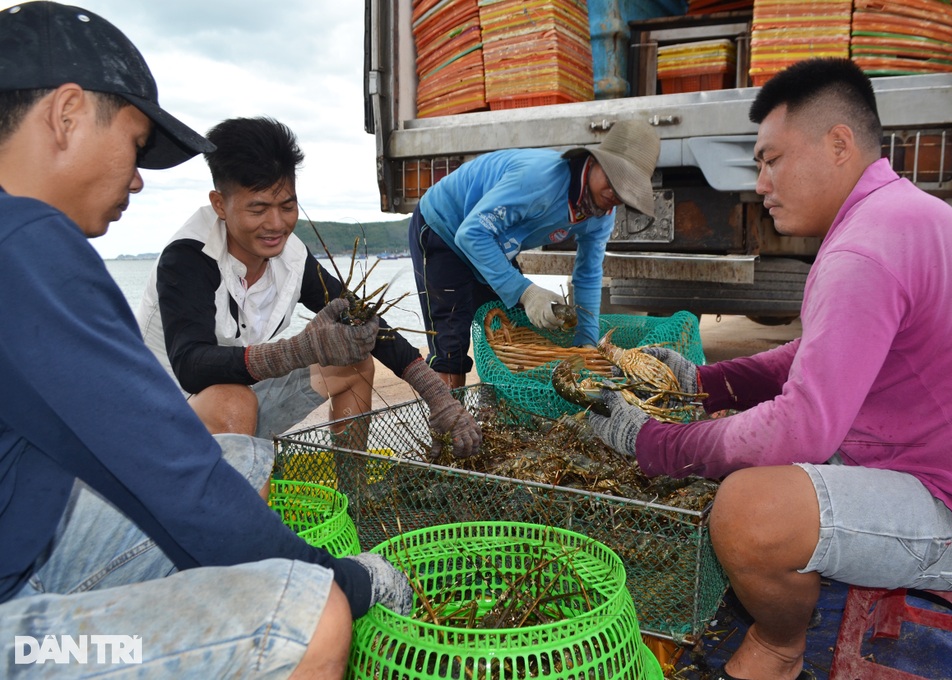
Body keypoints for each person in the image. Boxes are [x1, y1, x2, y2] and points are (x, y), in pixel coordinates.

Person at [0, 3, 413, 677]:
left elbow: (145, 469)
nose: (137, 178)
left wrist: (426, 382)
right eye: (135, 144)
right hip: (18, 603)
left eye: (287, 205)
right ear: (66, 113)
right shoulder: (30, 246)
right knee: (312, 618)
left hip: (31, 529)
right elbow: (170, 468)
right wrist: (338, 580)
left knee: (238, 469)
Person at [587, 58, 952, 680]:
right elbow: (818, 355)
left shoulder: (865, 250)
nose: (760, 183)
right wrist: (704, 383)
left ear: (839, 144)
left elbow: (802, 428)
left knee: (748, 510)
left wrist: (657, 442)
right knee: (743, 438)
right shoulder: (899, 216)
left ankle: (780, 646)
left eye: (771, 160)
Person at [136, 116, 480, 457]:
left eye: (287, 206)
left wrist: (439, 398)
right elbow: (191, 365)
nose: (276, 224)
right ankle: (240, 511)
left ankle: (352, 496)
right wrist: (303, 348)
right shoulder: (187, 258)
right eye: (258, 209)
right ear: (219, 204)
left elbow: (369, 325)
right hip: (163, 421)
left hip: (237, 408)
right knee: (233, 400)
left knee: (355, 361)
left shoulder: (292, 257)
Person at [409, 119, 660, 388]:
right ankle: (451, 428)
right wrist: (527, 293)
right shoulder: (540, 179)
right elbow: (471, 234)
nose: (614, 194)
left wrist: (586, 342)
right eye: (612, 180)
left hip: (490, 240)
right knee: (451, 348)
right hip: (443, 228)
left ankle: (491, 415)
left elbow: (588, 275)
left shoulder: (601, 215)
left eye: (625, 190)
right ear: (594, 162)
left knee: (512, 331)